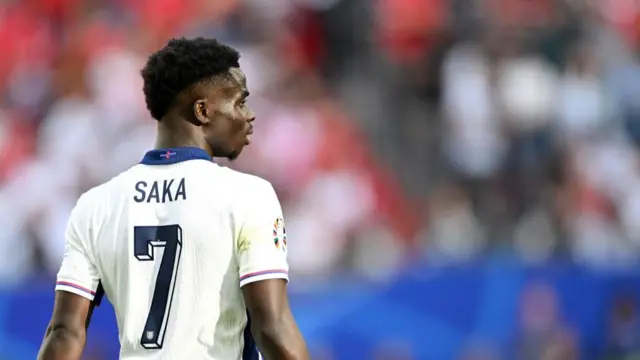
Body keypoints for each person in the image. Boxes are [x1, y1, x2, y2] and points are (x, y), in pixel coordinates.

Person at [37, 37, 310, 360]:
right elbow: (272, 328)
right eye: (239, 102)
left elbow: (65, 332)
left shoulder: (95, 205)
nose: (249, 116)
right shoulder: (249, 195)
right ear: (203, 110)